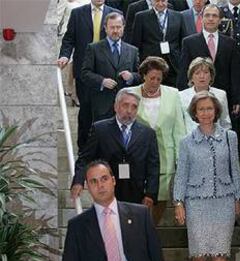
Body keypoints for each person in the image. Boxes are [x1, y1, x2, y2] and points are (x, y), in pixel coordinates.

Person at [174, 91, 240, 261]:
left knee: (220, 252)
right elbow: (181, 174)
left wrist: (238, 198)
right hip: (196, 202)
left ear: (216, 110)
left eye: (209, 108)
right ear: (195, 113)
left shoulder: (230, 137)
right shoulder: (186, 142)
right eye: (201, 109)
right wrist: (178, 202)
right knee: (200, 254)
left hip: (224, 201)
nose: (206, 113)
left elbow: (235, 169)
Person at [62, 160, 166, 261]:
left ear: (113, 181)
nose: (100, 185)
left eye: (104, 179)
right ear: (88, 187)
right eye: (93, 181)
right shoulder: (77, 226)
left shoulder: (141, 215)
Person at [71, 89, 159, 207]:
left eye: (134, 107)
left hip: (137, 194)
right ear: (116, 107)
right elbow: (85, 158)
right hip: (106, 190)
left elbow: (153, 166)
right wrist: (78, 181)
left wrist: (151, 193)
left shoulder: (148, 134)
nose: (129, 111)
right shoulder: (100, 129)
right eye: (125, 105)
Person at [128, 56, 186, 224]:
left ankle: (149, 235)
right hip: (137, 159)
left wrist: (179, 160)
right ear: (143, 75)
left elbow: (179, 130)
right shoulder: (129, 94)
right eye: (152, 78)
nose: (155, 82)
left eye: (159, 79)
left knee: (158, 204)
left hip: (164, 160)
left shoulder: (173, 94)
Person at [57, 0, 121, 151]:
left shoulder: (115, 14)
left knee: (107, 113)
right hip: (84, 70)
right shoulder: (78, 13)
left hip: (109, 70)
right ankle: (84, 150)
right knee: (85, 111)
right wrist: (65, 56)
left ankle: (105, 148)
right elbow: (69, 38)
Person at [177, 3, 240, 118]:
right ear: (202, 18)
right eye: (207, 15)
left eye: (215, 16)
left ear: (220, 20)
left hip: (224, 99)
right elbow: (183, 72)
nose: (211, 19)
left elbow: (235, 73)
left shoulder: (230, 43)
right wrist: (183, 96)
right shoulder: (189, 42)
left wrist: (236, 99)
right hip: (197, 99)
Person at [81, 12, 141, 122]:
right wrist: (102, 81)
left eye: (118, 27)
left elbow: (140, 75)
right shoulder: (94, 48)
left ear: (123, 27)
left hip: (126, 106)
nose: (115, 31)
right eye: (112, 27)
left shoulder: (133, 50)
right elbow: (85, 73)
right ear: (105, 28)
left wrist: (131, 76)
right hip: (102, 105)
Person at [130, 0, 186, 86]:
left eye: (163, 1)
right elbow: (136, 44)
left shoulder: (179, 16)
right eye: (157, 1)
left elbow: (183, 42)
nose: (160, 4)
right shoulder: (141, 17)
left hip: (173, 66)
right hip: (150, 65)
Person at [179, 57, 231, 134]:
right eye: (197, 73)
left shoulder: (221, 94)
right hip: (191, 141)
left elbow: (225, 122)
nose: (202, 76)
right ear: (191, 78)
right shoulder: (181, 96)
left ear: (211, 76)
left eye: (206, 72)